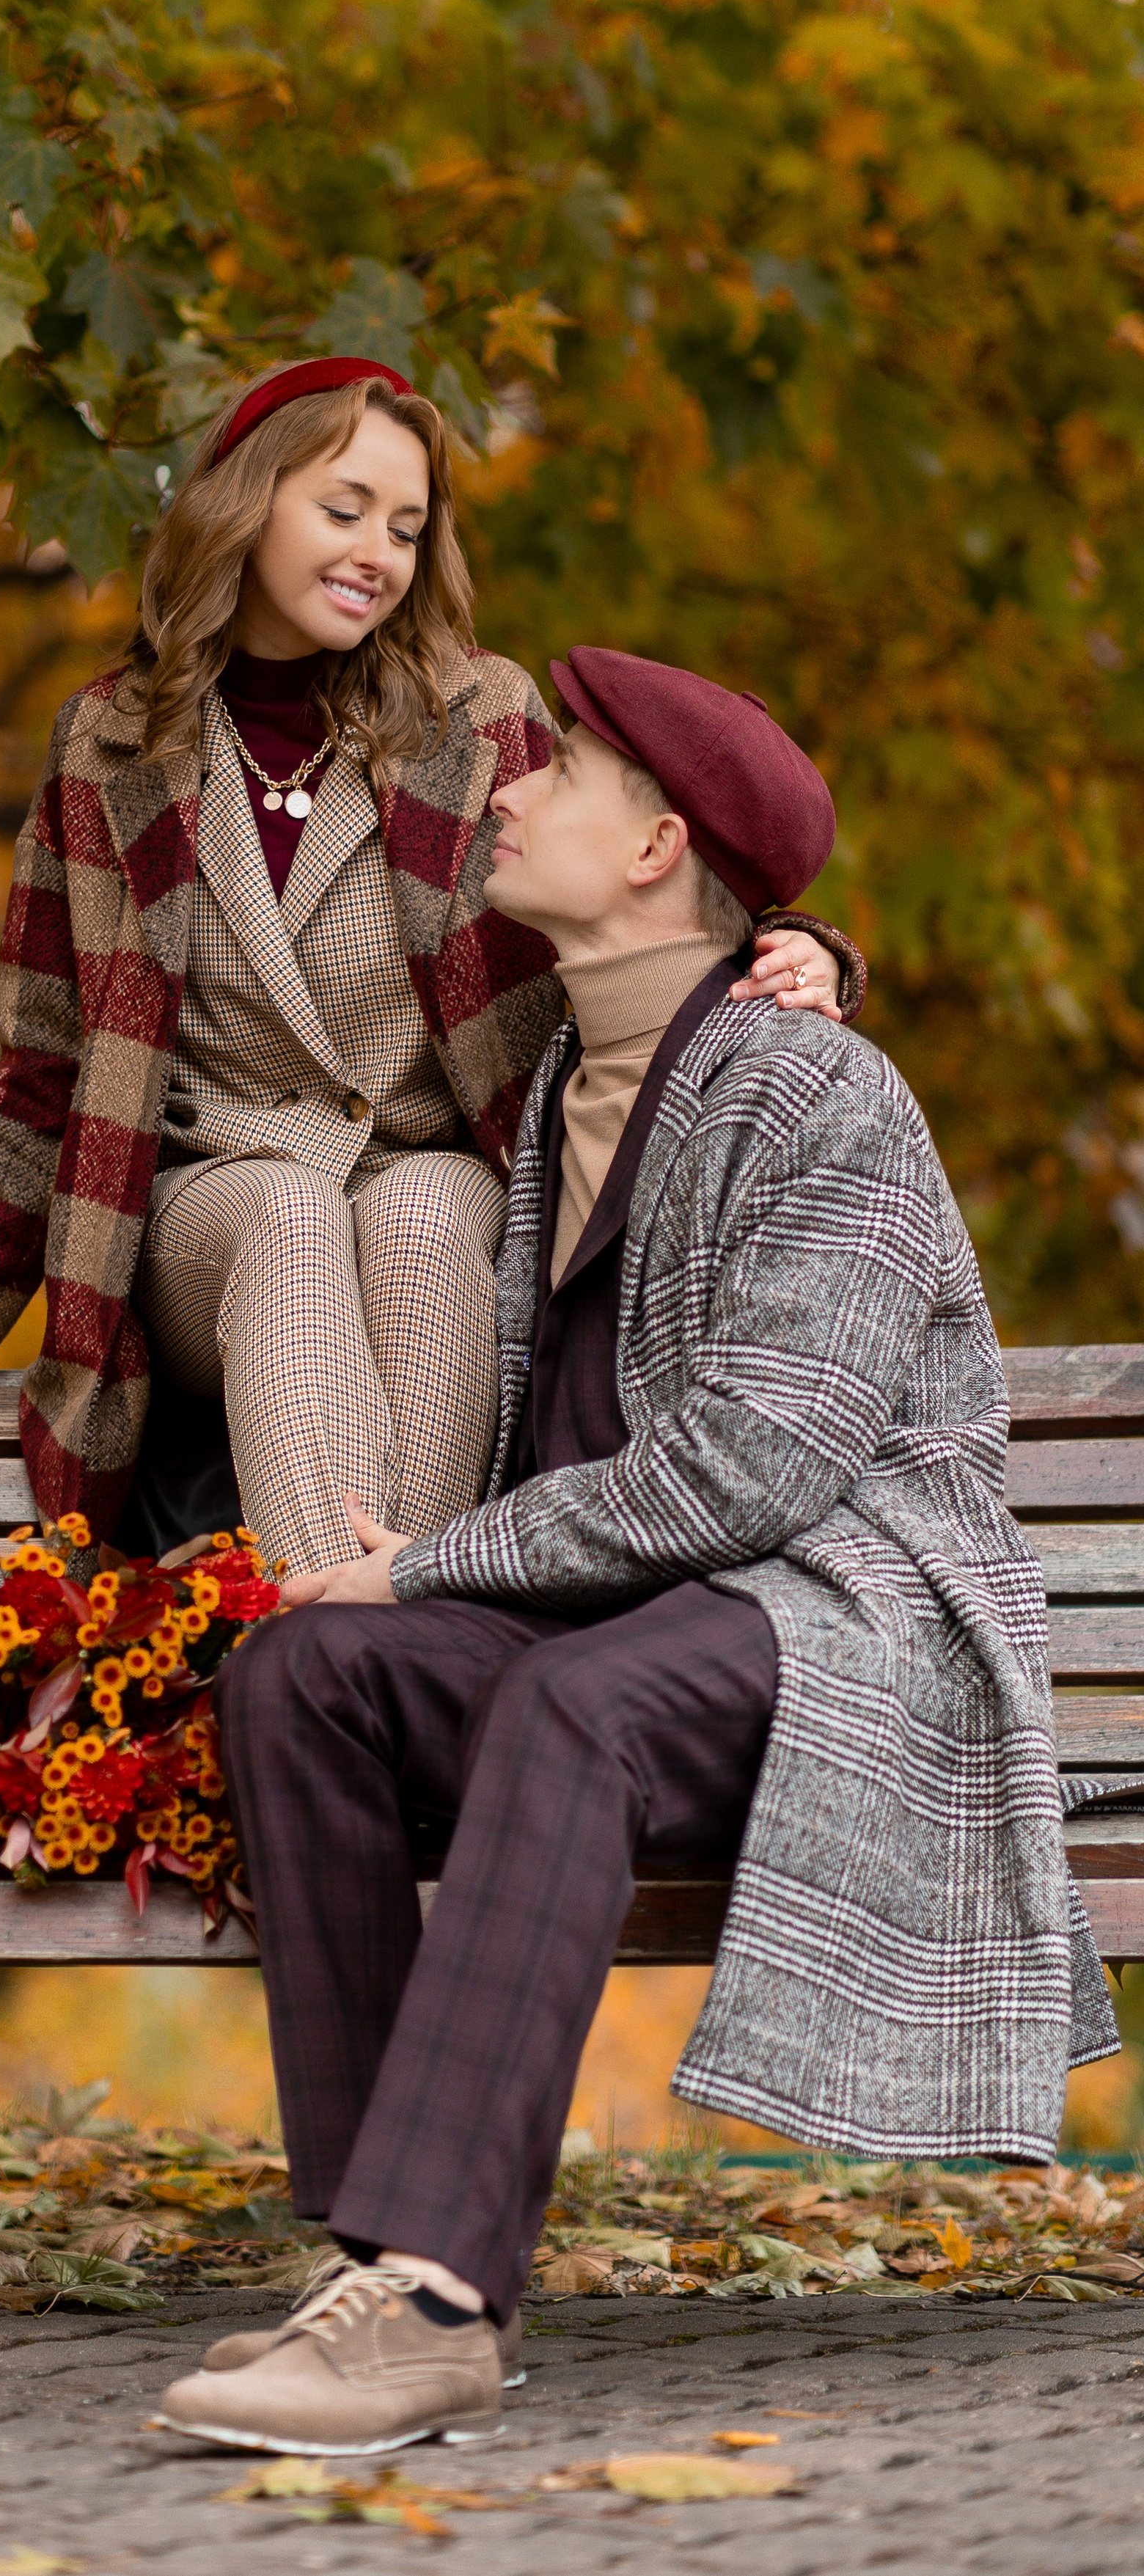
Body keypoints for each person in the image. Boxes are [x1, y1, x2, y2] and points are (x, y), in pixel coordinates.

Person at [152, 645, 1117, 2460]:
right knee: (306, 1674)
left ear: (658, 844)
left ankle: (437, 2303)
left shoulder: (816, 1095)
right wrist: (414, 1573)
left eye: (558, 774)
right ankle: (381, 2256)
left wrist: (438, 1563)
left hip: (841, 1622)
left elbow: (761, 1462)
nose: (506, 792)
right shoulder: (564, 1092)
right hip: (624, 1623)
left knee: (562, 1708)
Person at [0, 361, 861, 1575]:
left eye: (409, 529)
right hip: (216, 1196)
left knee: (426, 1215)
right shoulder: (109, 744)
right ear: (247, 504)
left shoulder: (479, 716)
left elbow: (633, 898)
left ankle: (375, 1646)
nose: (380, 551)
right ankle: (354, 1646)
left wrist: (807, 951)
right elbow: (48, 1066)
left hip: (438, 1166)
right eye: (345, 508)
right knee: (289, 1213)